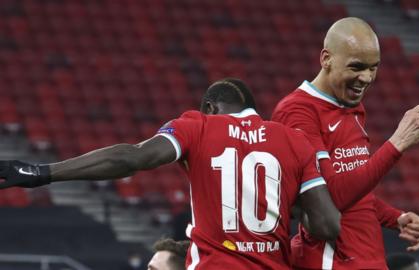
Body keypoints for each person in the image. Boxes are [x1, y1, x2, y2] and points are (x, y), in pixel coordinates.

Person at [0, 78, 340, 269]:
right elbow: (327, 225)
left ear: (210, 107)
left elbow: (132, 158)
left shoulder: (198, 125)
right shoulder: (292, 141)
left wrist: (42, 172)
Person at [272, 17, 419, 269]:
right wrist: (397, 144)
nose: (366, 78)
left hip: (368, 258)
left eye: (373, 67)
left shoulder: (352, 106)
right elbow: (329, 200)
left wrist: (396, 218)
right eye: (357, 67)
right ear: (326, 59)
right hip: (332, 261)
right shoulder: (298, 112)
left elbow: (355, 193)